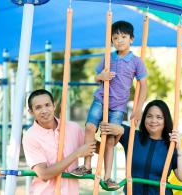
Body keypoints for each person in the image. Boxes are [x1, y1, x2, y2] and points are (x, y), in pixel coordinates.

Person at [70, 20, 147, 189]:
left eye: (123, 37)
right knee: (90, 127)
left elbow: (143, 86)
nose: (119, 40)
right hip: (101, 99)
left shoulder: (136, 61)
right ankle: (87, 165)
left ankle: (107, 176)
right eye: (115, 37)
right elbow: (96, 77)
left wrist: (139, 108)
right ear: (112, 40)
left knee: (110, 140)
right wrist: (101, 77)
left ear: (131, 39)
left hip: (118, 107)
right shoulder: (107, 58)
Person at [100, 100, 182, 195]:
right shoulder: (131, 136)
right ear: (144, 118)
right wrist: (118, 128)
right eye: (149, 116)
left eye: (159, 117)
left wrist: (180, 150)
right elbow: (106, 123)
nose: (153, 121)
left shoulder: (171, 146)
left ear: (165, 120)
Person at [22, 89, 97, 195]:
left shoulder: (73, 128)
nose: (44, 110)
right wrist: (77, 154)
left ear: (54, 106)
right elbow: (44, 174)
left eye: (47, 105)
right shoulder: (30, 136)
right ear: (31, 111)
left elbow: (96, 147)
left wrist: (103, 131)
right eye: (38, 107)